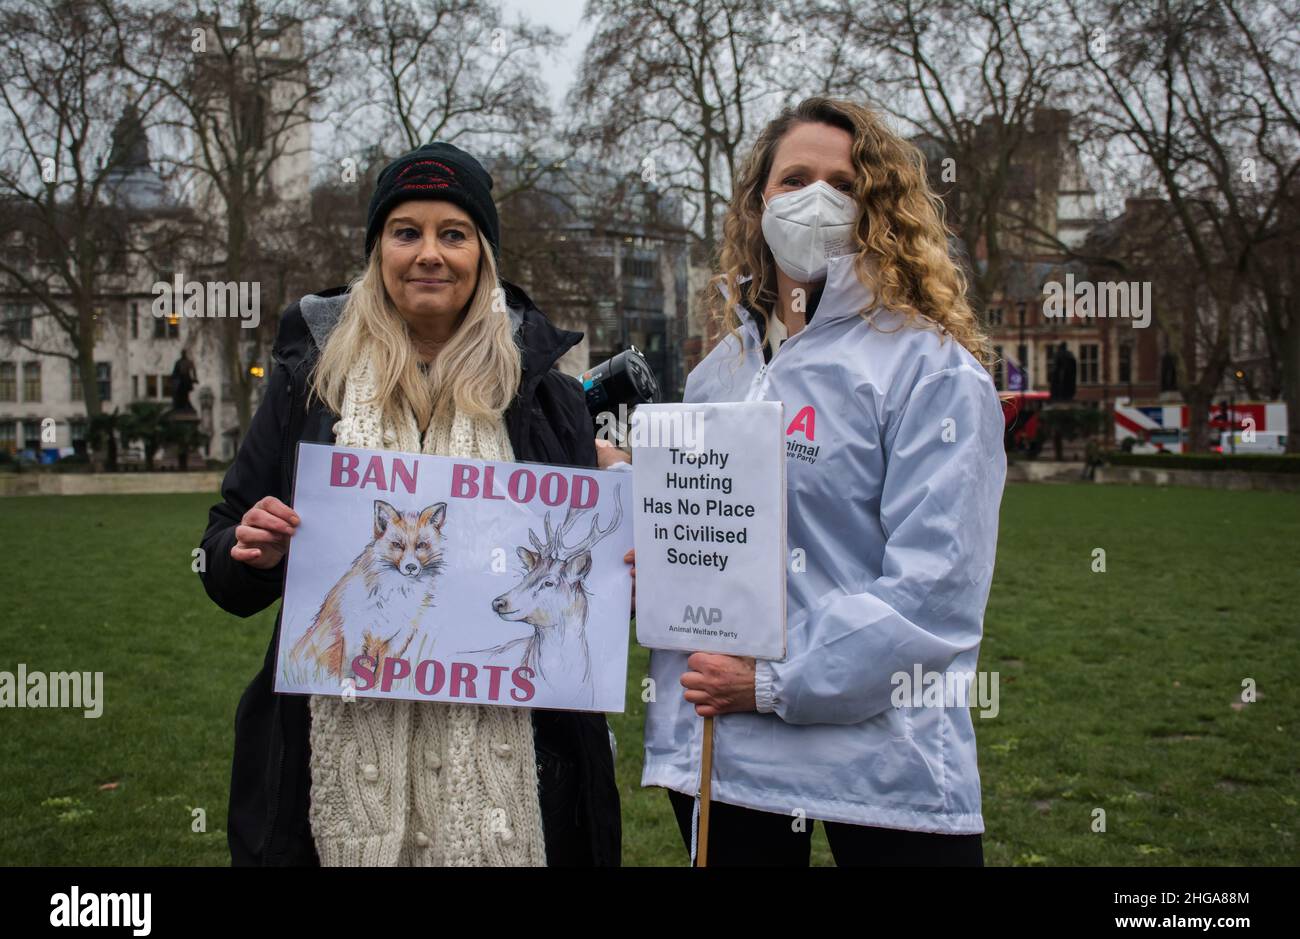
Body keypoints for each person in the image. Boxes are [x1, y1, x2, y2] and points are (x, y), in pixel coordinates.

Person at [198, 142, 620, 867]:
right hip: (319, 758)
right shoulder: (309, 383)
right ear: (377, 252)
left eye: (453, 234)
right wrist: (253, 549)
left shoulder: (546, 392)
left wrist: (620, 553)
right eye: (406, 232)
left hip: (522, 763)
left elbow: (584, 580)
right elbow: (218, 563)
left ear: (482, 255)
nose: (430, 253)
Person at [617, 97, 1007, 866]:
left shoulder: (932, 372)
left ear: (877, 209)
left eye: (843, 182)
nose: (816, 198)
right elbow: (707, 545)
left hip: (885, 769)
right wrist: (650, 559)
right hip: (726, 762)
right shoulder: (717, 374)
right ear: (761, 200)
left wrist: (776, 683)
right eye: (794, 178)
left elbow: (935, 594)